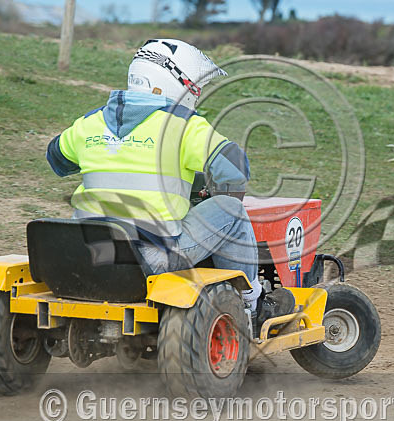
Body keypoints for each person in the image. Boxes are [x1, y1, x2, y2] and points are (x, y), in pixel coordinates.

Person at [45, 38, 293, 324]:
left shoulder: (89, 123)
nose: (196, 94)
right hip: (149, 261)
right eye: (195, 86)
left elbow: (57, 159)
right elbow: (235, 171)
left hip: (85, 251)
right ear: (175, 81)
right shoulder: (184, 125)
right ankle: (252, 305)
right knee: (231, 211)